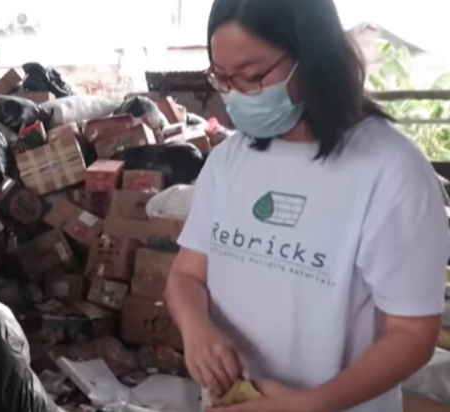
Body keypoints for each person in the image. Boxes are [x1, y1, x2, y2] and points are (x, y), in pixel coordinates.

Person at [164, 0, 450, 411]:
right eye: (222, 79)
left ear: (311, 59)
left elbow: (412, 334)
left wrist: (311, 404)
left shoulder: (390, 170)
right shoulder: (229, 161)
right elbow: (186, 276)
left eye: (252, 76)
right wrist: (197, 329)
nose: (235, 95)